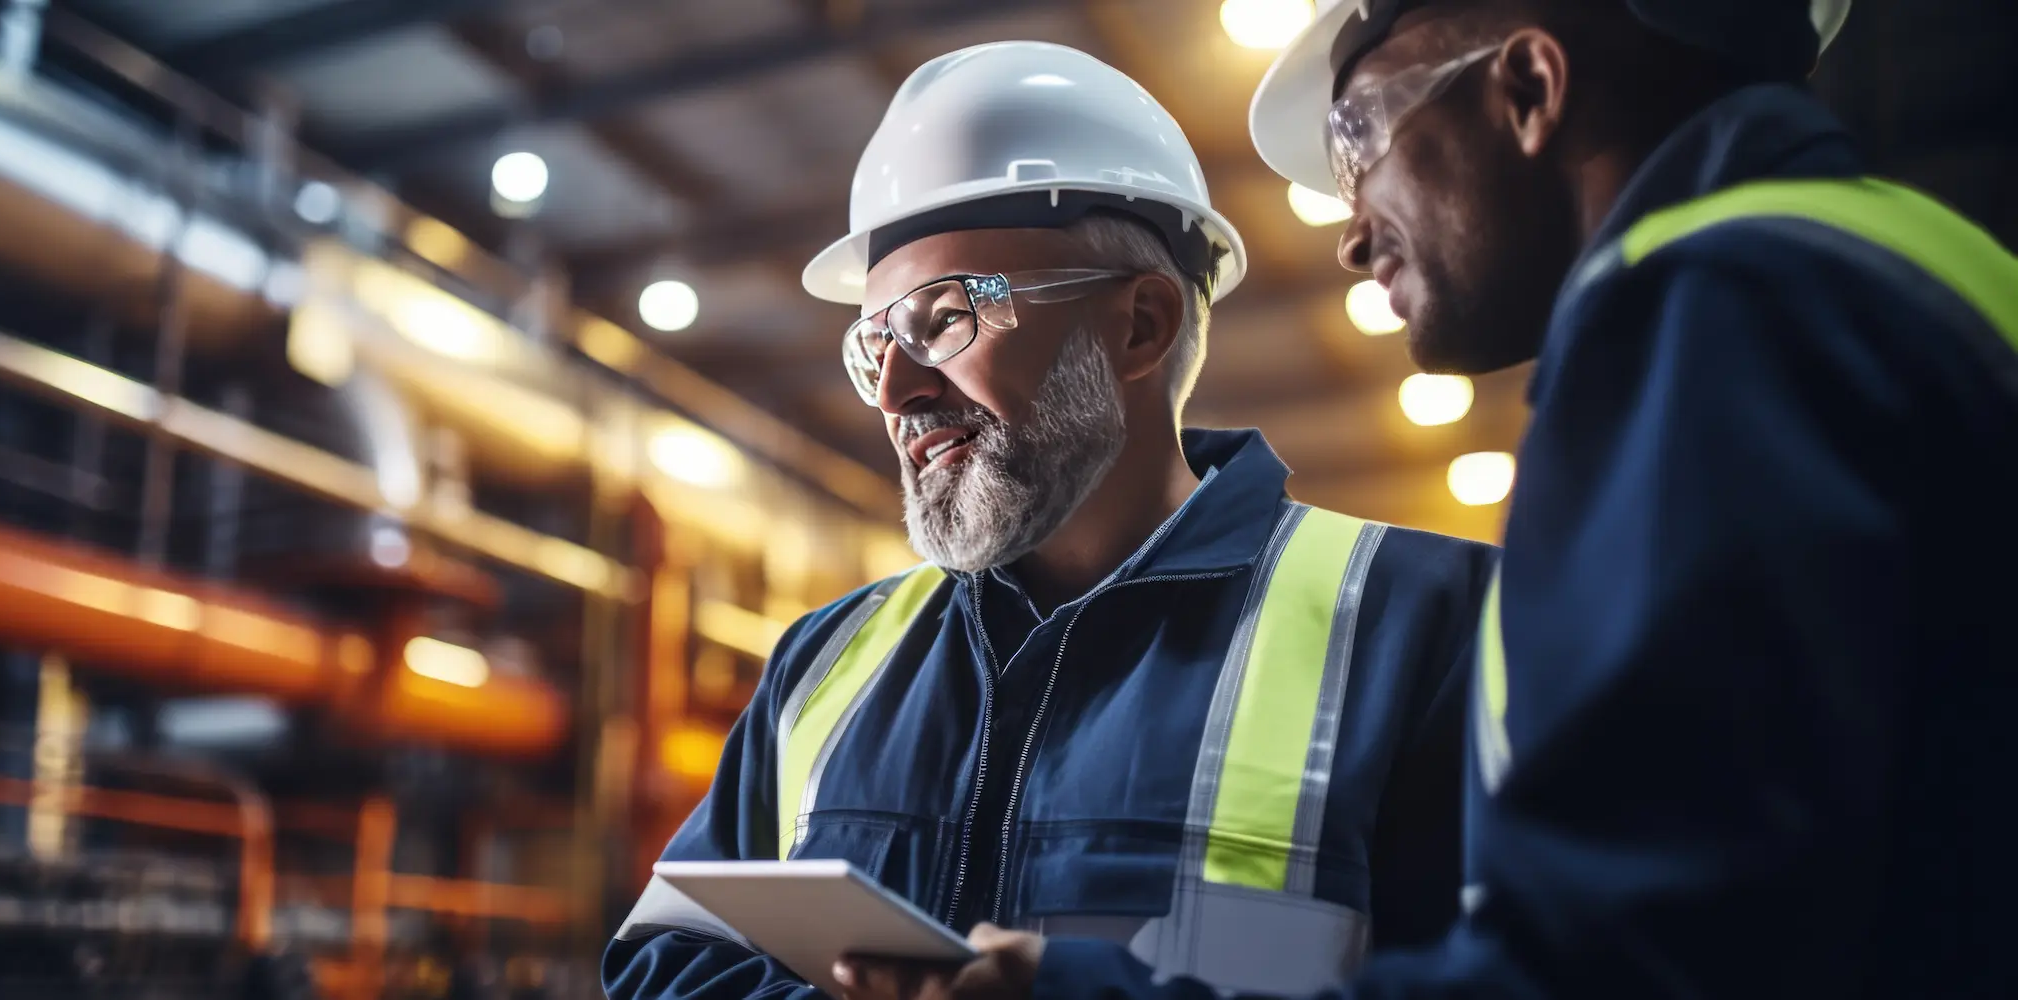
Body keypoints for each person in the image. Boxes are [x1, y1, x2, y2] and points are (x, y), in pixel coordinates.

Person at [834, 0, 2018, 998]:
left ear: (1527, 86)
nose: (1349, 234)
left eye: (1358, 136)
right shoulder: (1900, 273)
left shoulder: (1721, 312)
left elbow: (1629, 959)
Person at [602, 40, 1498, 1000]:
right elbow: (664, 964)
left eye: (941, 319)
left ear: (1140, 326)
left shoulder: (1431, 628)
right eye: (873, 348)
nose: (896, 391)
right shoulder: (824, 663)